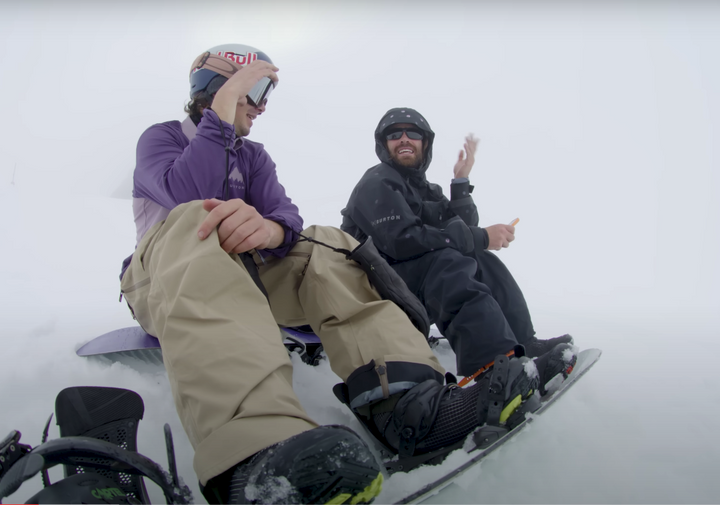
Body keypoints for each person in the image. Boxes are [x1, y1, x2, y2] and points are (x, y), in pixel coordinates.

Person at [120, 47, 549, 505]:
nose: (262, 106)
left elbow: (286, 214)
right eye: (256, 90)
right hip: (167, 274)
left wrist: (270, 227)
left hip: (248, 274)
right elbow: (186, 190)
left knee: (327, 241)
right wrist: (222, 116)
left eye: (267, 94)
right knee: (193, 221)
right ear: (217, 85)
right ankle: (258, 456)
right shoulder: (162, 138)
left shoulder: (255, 157)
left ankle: (405, 402)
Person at [341, 107, 575, 385]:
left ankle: (524, 345)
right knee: (446, 262)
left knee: (479, 258)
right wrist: (481, 237)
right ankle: (496, 372)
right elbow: (400, 240)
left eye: (412, 133)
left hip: (410, 287)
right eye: (394, 134)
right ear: (384, 144)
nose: (404, 139)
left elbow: (463, 231)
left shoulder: (427, 190)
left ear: (424, 143)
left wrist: (460, 182)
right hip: (372, 289)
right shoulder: (377, 181)